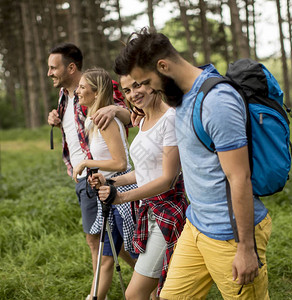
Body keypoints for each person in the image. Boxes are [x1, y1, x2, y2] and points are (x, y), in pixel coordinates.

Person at [113, 28, 272, 300]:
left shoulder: (216, 102)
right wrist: (118, 110)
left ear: (163, 67)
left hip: (229, 235)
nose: (148, 90)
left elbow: (239, 178)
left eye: (147, 82)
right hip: (195, 226)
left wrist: (246, 248)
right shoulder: (182, 96)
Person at [46, 44, 135, 299]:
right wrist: (55, 119)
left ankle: (103, 292)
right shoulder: (64, 96)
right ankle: (144, 276)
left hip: (106, 175)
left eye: (54, 67)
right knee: (104, 240)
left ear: (70, 67)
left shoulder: (98, 87)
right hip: (85, 177)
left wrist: (116, 109)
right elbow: (73, 134)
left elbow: (134, 115)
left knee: (103, 241)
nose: (50, 73)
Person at [91, 74, 187, 300]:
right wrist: (110, 181)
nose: (132, 94)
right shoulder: (143, 120)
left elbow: (167, 178)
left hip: (167, 213)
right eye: (126, 90)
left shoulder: (170, 119)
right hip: (148, 211)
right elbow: (143, 172)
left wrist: (123, 198)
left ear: (152, 83)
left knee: (135, 294)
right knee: (155, 293)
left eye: (137, 85)